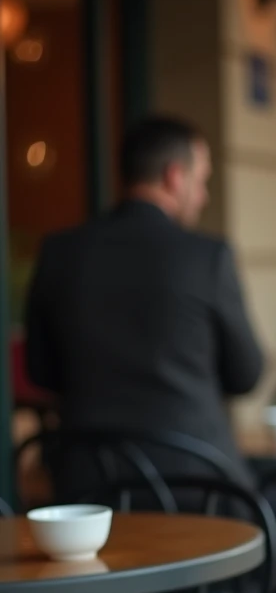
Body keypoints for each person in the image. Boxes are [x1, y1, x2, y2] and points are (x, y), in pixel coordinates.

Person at [24, 115, 263, 490]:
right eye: (201, 181)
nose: (204, 196)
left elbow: (39, 371)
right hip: (200, 490)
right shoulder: (206, 257)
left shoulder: (59, 253)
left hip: (90, 490)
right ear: (173, 176)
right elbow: (246, 374)